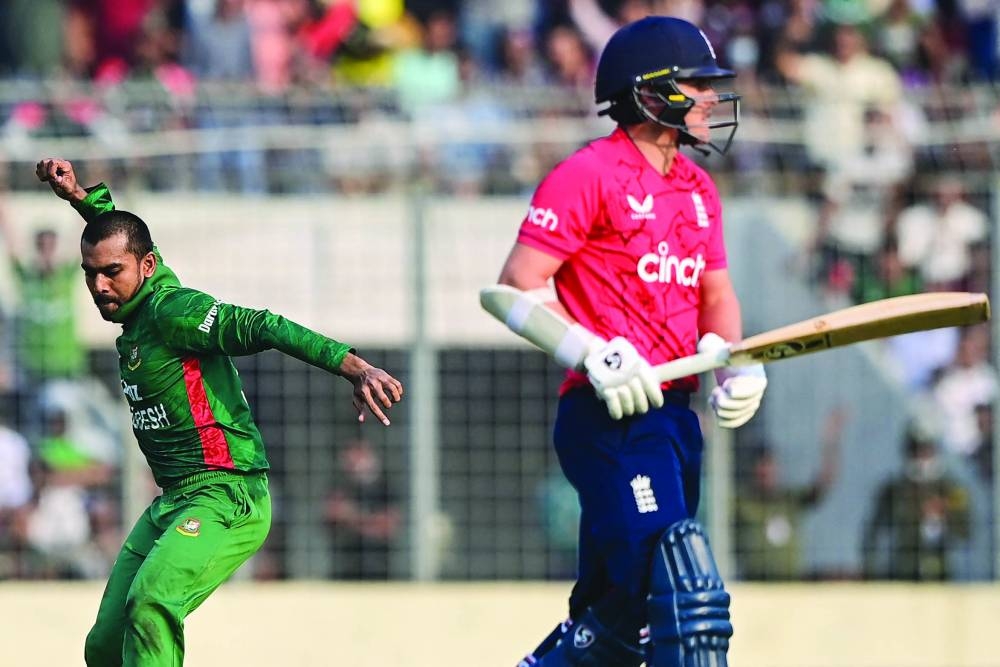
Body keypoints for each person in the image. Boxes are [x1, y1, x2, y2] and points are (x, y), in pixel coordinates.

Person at [33, 157, 404, 666]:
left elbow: (263, 324)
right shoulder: (142, 292)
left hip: (227, 495)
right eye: (90, 274)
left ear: (145, 268)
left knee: (153, 602)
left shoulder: (173, 310)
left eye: (111, 273)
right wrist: (79, 196)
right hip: (174, 502)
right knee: (103, 646)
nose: (99, 287)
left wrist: (352, 366)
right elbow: (123, 238)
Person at [482, 17, 767, 667]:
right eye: (697, 85)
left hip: (673, 415)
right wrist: (594, 352)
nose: (712, 99)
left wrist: (736, 365)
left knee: (618, 602)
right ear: (652, 92)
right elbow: (513, 289)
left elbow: (715, 296)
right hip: (608, 412)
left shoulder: (699, 192)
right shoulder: (589, 173)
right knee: (671, 591)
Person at [733, 408, 844, 581]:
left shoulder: (790, 499)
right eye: (762, 470)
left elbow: (824, 483)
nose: (766, 474)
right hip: (755, 586)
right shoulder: (742, 503)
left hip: (791, 586)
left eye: (770, 468)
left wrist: (830, 441)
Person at [861, 424, 970, 581]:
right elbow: (874, 532)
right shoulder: (893, 489)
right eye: (917, 450)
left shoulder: (953, 490)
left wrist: (942, 517)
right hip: (902, 571)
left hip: (943, 573)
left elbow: (966, 531)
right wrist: (872, 571)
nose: (922, 457)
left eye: (927, 450)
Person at [324, 438, 401, 580]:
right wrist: (370, 522)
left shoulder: (385, 487)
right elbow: (332, 516)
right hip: (344, 567)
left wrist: (352, 516)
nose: (355, 463)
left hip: (380, 568)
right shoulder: (340, 485)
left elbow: (388, 526)